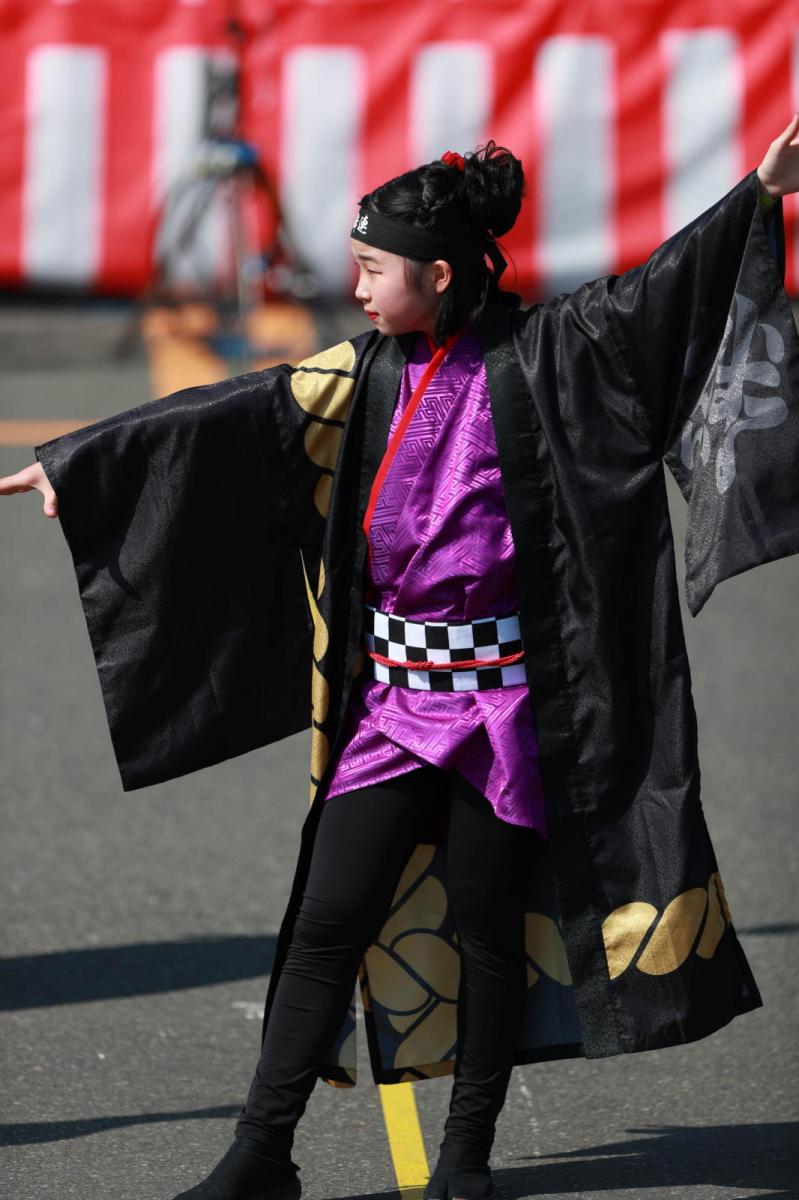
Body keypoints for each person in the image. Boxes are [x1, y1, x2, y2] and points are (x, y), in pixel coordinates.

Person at [2, 120, 799, 1200]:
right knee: (326, 919)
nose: (358, 285)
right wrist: (83, 470)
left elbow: (662, 293)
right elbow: (234, 414)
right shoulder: (363, 372)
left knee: (485, 937)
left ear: (438, 273)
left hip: (505, 714)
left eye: (374, 268)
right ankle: (258, 1151)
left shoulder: (553, 354)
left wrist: (758, 193)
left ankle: (463, 1158)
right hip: (391, 708)